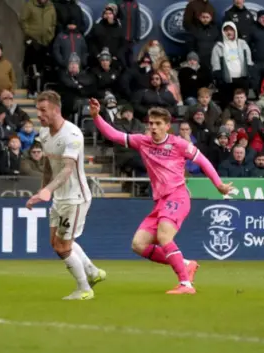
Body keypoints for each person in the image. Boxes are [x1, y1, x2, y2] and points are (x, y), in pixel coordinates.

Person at [89, 99, 234, 294]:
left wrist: (219, 185)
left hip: (178, 196)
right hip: (160, 203)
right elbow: (113, 135)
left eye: (158, 124)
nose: (153, 127)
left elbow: (203, 161)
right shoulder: (143, 142)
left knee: (164, 236)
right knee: (138, 245)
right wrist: (96, 116)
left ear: (167, 126)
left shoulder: (178, 144)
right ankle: (185, 264)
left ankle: (186, 284)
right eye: (151, 123)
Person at [25, 91, 105, 301]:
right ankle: (93, 271)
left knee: (63, 246)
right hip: (59, 197)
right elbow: (49, 166)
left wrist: (48, 190)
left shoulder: (72, 134)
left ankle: (85, 288)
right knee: (56, 243)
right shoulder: (43, 134)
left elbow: (68, 168)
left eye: (43, 110)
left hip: (75, 197)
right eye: (37, 110)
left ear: (56, 110)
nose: (39, 115)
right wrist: (42, 191)